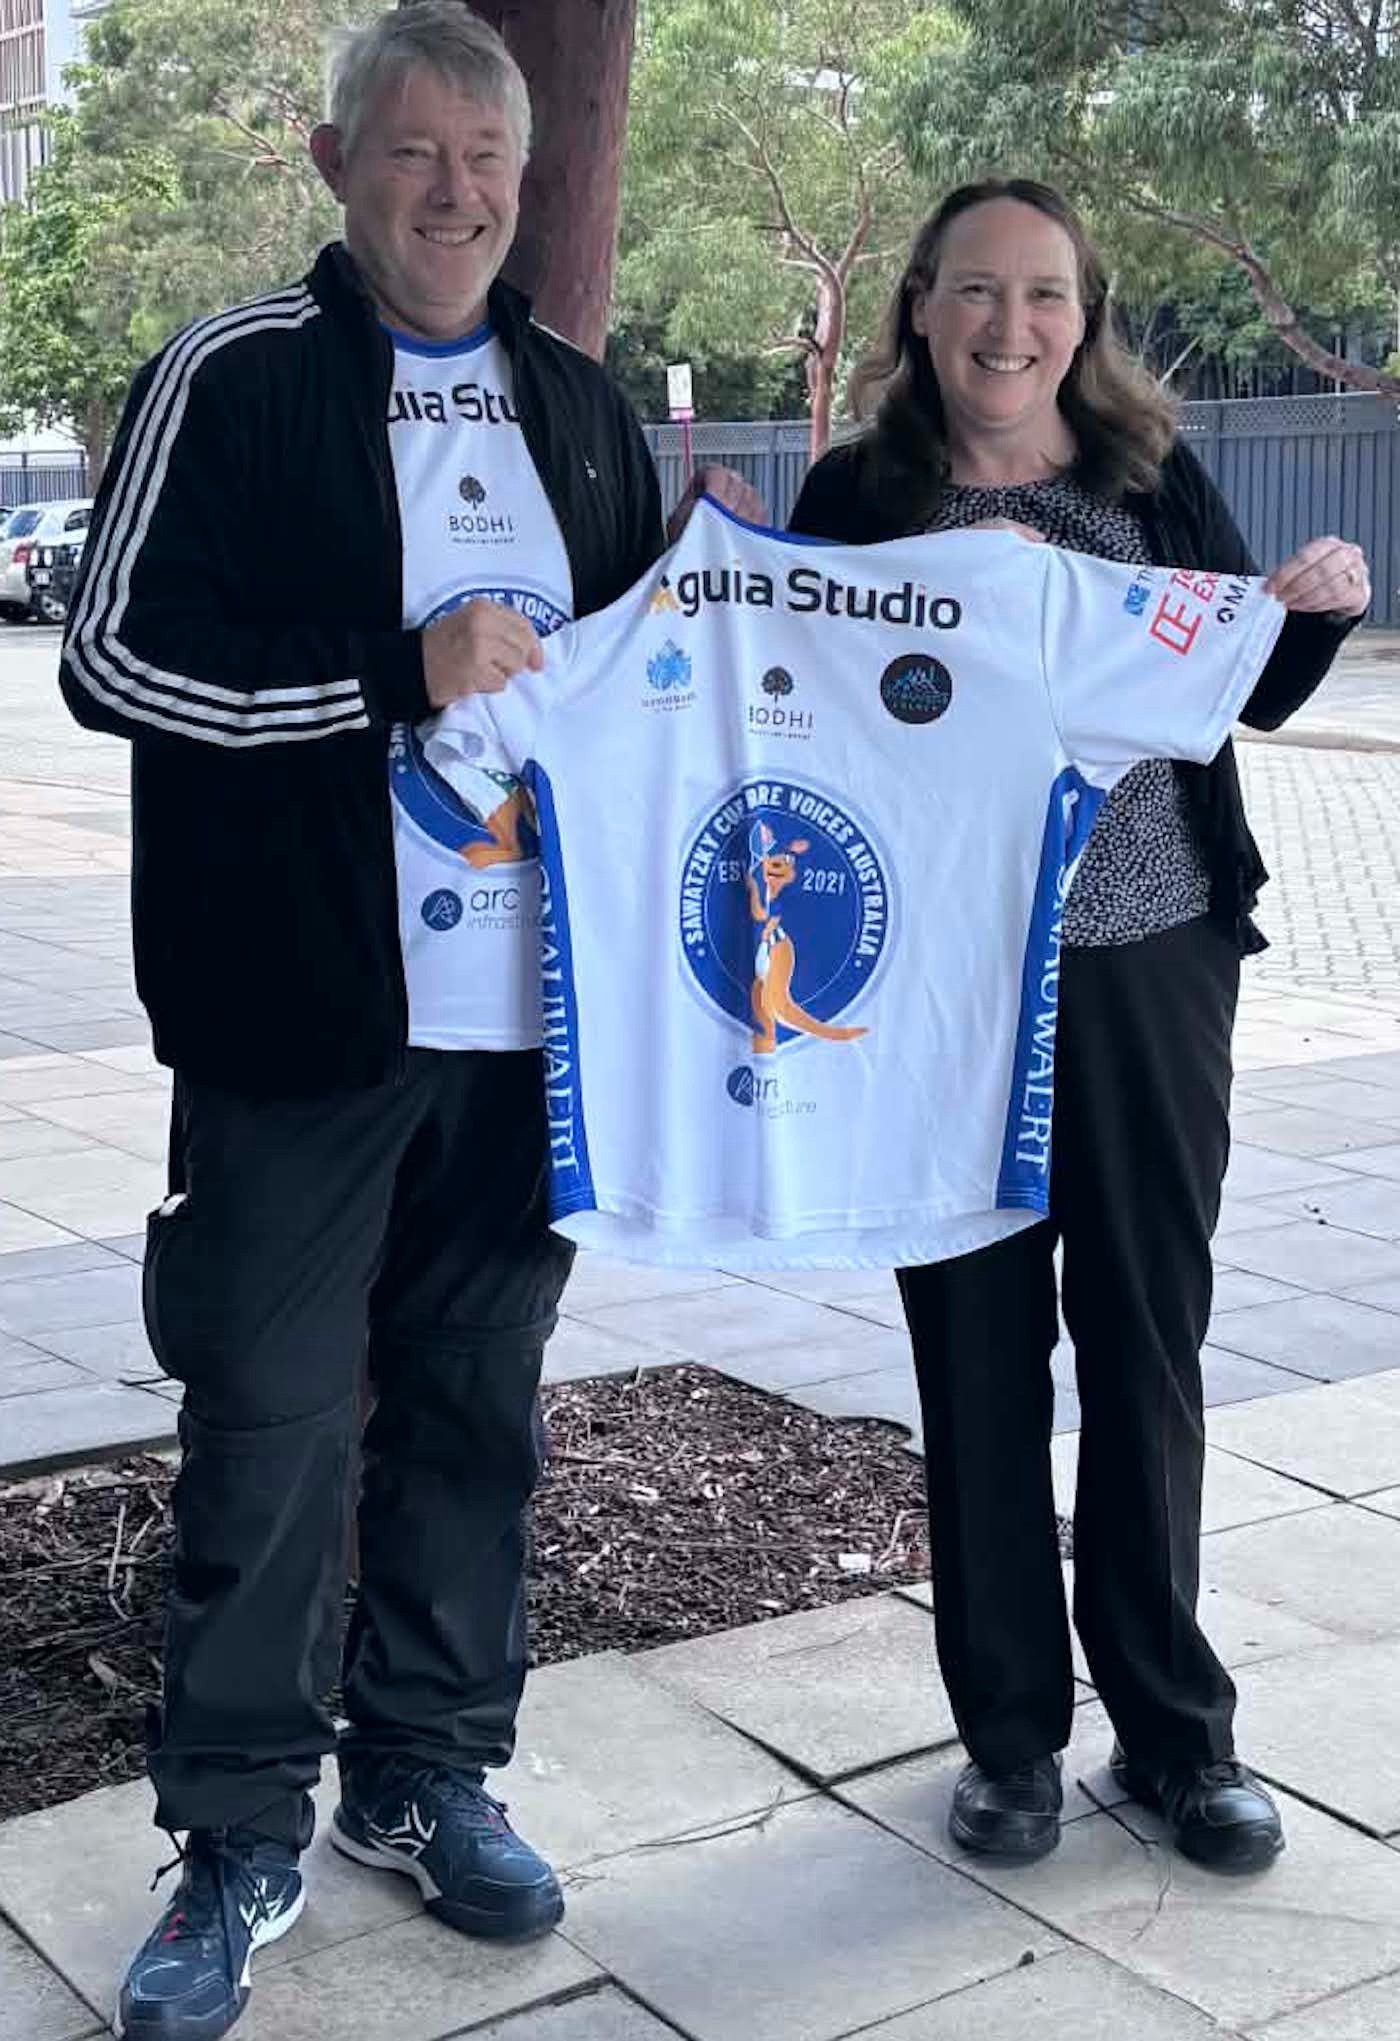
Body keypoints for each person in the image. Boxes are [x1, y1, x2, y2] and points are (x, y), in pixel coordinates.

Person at [59, 10, 756, 2037]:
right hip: (301, 1026)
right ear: (334, 161)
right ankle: (235, 1833)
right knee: (268, 1428)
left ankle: (425, 1772)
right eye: (413, 152)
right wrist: (394, 670)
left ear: (523, 182)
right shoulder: (234, 372)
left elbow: (626, 697)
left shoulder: (576, 406)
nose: (454, 193)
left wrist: (709, 607)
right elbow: (113, 658)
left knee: (473, 1412)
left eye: (487, 160)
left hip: (528, 1035)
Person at [790, 178, 1369, 1875]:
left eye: (1046, 294)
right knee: (975, 1354)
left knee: (1144, 1336)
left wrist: (1317, 610)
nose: (1011, 326)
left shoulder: (1145, 474)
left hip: (1147, 965)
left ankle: (1177, 1731)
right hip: (940, 992)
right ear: (919, 306)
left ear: (1083, 318)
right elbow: (788, 712)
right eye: (977, 290)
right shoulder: (856, 497)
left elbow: (1239, 687)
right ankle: (1009, 1740)